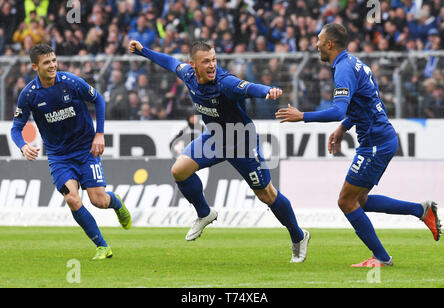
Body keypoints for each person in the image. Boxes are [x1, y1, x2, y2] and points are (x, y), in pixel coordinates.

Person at [129, 39, 310, 263]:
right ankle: (204, 213)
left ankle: (298, 236)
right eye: (206, 61)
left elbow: (247, 87)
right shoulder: (187, 74)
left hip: (241, 142)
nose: (212, 65)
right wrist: (143, 51)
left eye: (214, 59)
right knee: (179, 170)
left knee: (267, 195)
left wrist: (268, 91)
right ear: (193, 65)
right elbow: (169, 62)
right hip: (215, 137)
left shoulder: (225, 83)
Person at [275, 23, 441, 267]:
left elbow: (338, 110)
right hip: (379, 139)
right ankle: (421, 210)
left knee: (346, 201)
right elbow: (363, 101)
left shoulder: (343, 69)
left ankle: (382, 258)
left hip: (376, 142)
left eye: (319, 39)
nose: (316, 44)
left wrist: (303, 116)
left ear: (329, 44)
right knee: (359, 200)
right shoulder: (354, 63)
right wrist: (344, 127)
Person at [10, 43, 132, 260]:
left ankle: (116, 203)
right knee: (73, 200)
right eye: (47, 62)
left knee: (99, 200)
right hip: (59, 157)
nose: (52, 65)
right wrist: (23, 145)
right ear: (34, 67)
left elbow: (99, 100)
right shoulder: (28, 95)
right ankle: (102, 246)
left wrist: (100, 134)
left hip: (86, 150)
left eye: (54, 60)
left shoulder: (71, 82)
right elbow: (16, 128)